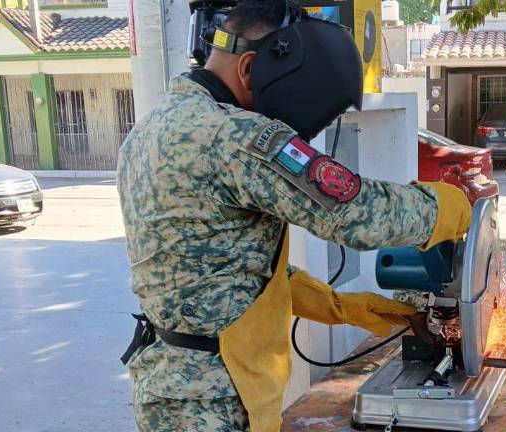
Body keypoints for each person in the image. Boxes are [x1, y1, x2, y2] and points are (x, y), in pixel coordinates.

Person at [116, 1, 471, 431]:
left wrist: (338, 306)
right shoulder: (235, 135)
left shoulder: (152, 128)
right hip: (215, 398)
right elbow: (357, 214)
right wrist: (454, 207)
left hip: (174, 385)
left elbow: (219, 264)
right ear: (250, 70)